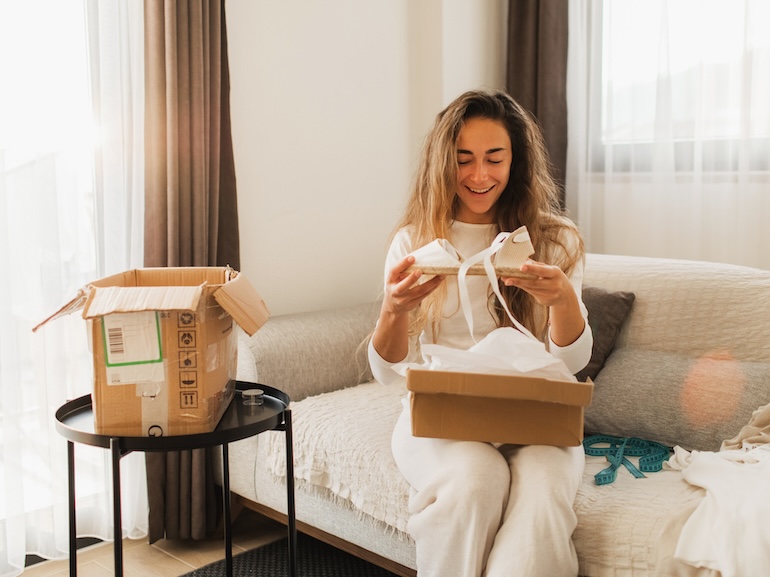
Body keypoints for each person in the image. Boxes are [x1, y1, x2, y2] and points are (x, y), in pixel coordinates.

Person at [367, 89, 593, 577]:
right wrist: (393, 311)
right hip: (442, 413)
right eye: (462, 159)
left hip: (535, 412)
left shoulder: (555, 241)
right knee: (475, 479)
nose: (478, 175)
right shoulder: (415, 241)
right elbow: (388, 374)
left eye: (494, 158)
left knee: (543, 489)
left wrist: (562, 302)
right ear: (441, 163)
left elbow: (570, 365)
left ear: (517, 161)